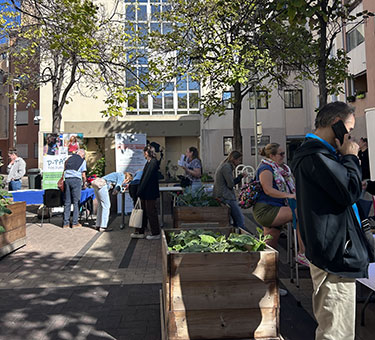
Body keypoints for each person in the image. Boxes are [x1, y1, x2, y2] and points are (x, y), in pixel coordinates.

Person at [291, 101, 370, 340]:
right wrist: (351, 158)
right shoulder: (317, 155)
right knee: (337, 331)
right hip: (335, 255)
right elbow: (349, 191)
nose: (351, 136)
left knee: (337, 326)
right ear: (336, 125)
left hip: (334, 250)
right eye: (349, 129)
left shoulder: (317, 154)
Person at [253, 143, 306, 263]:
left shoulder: (281, 169)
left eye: (284, 153)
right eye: (281, 154)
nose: (283, 156)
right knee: (300, 212)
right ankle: (302, 252)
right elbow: (268, 189)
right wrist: (290, 195)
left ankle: (265, 275)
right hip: (266, 209)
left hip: (276, 207)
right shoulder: (266, 169)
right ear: (271, 155)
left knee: (269, 248)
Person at [131, 146, 161, 240]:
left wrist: (139, 191)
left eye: (144, 152)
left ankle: (155, 233)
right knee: (143, 212)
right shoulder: (149, 162)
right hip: (145, 192)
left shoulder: (152, 162)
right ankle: (141, 231)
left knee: (151, 212)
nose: (143, 154)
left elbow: (146, 178)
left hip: (150, 192)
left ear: (147, 153)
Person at [213, 150, 248, 231]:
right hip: (226, 195)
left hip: (221, 194)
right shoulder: (227, 167)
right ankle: (241, 237)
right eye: (239, 160)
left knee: (233, 220)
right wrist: (240, 176)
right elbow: (230, 184)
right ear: (234, 159)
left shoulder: (224, 165)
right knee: (240, 220)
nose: (239, 162)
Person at [63, 149, 87, 228]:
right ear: (82, 155)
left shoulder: (69, 159)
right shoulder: (82, 161)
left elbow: (64, 168)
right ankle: (75, 222)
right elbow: (83, 175)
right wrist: (84, 184)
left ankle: (65, 223)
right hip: (76, 180)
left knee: (67, 202)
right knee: (76, 202)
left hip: (67, 180)